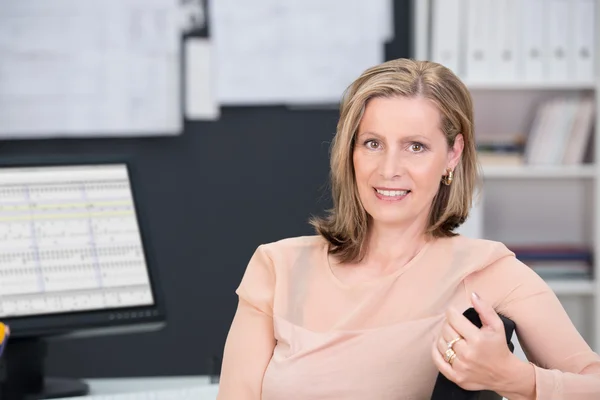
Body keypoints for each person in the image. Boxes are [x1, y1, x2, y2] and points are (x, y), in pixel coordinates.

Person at [216, 59, 600, 399]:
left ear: (453, 154)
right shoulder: (277, 267)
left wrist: (515, 378)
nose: (388, 169)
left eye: (415, 146)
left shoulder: (490, 273)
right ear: (349, 152)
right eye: (372, 143)